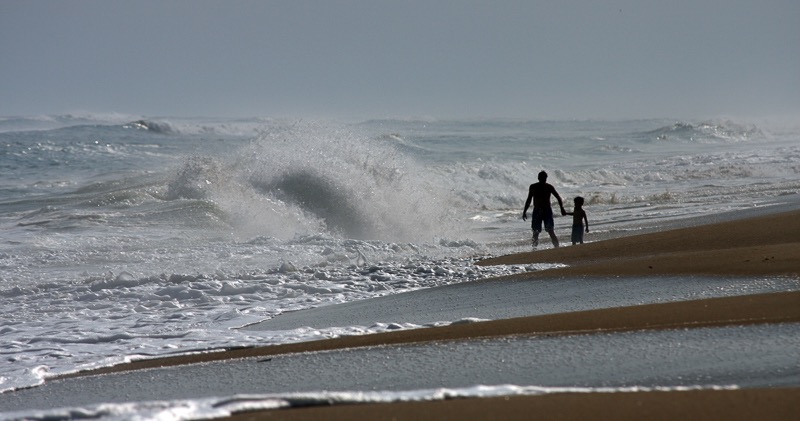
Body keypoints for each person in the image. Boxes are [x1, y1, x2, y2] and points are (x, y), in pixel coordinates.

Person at [522, 171, 566, 248]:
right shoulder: (533, 187)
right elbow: (529, 200)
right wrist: (524, 211)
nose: (543, 179)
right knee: (535, 232)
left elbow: (558, 197)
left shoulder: (549, 187)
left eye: (544, 178)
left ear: (546, 178)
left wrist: (562, 208)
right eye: (542, 178)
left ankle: (557, 247)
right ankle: (534, 248)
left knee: (550, 230)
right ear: (538, 178)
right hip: (537, 210)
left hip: (547, 210)